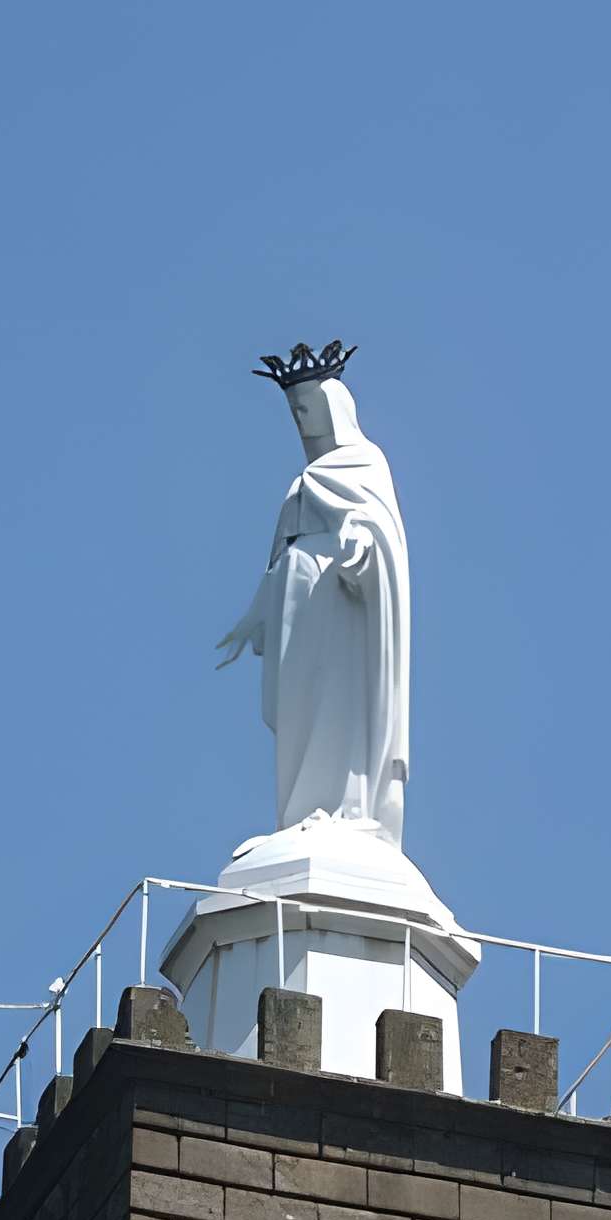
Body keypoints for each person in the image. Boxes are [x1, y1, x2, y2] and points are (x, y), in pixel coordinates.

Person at [216, 346, 411, 850]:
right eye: (294, 412)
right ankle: (300, 812)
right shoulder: (301, 484)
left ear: (332, 408)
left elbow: (379, 533)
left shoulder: (364, 463)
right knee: (302, 709)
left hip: (339, 607)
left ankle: (345, 809)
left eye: (307, 408)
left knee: (337, 701)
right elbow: (284, 553)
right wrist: (258, 613)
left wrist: (360, 549)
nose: (301, 421)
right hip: (296, 614)